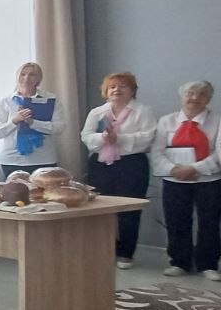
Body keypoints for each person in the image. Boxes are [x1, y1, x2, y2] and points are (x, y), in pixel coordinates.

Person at [80, 72, 156, 269]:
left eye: (123, 86)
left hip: (131, 164)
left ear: (132, 91)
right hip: (100, 163)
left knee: (129, 208)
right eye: (112, 86)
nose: (117, 90)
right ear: (106, 91)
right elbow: (86, 135)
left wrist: (119, 139)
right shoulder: (97, 112)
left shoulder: (143, 111)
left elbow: (148, 137)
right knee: (99, 207)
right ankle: (103, 249)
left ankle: (126, 254)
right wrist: (102, 138)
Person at [150, 80, 221, 280]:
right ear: (181, 97)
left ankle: (208, 264)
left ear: (209, 99)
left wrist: (194, 168)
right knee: (176, 221)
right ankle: (179, 262)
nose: (195, 98)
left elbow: (219, 153)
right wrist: (173, 169)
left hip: (208, 180)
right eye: (190, 93)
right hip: (175, 180)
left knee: (209, 222)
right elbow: (157, 151)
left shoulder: (218, 120)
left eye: (202, 94)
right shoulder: (166, 121)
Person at [0, 61, 67, 178]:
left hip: (43, 158)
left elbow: (59, 128)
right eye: (23, 74)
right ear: (17, 77)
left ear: (39, 79)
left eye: (32, 75)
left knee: (45, 189)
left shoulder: (51, 99)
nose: (26, 78)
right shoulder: (5, 102)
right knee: (16, 190)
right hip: (12, 159)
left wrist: (33, 123)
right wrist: (14, 121)